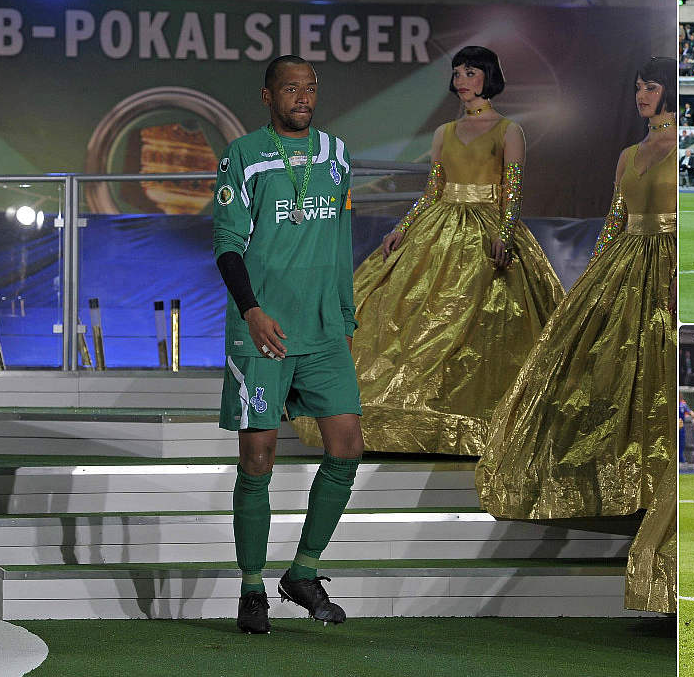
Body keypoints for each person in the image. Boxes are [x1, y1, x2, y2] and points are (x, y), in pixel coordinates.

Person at [477, 56, 677, 614]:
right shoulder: (629, 155)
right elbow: (615, 218)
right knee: (601, 380)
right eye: (637, 85)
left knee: (658, 383)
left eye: (651, 86)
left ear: (671, 92)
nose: (641, 93)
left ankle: (661, 499)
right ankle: (618, 490)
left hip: (671, 272)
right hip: (625, 268)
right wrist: (596, 275)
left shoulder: (685, 153)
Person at [300, 46, 562, 458]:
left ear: (487, 77)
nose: (461, 80)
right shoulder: (443, 132)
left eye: (470, 72)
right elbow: (431, 191)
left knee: (480, 316)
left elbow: (513, 190)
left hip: (486, 227)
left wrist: (506, 234)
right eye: (457, 72)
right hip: (438, 224)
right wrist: (401, 228)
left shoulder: (509, 130)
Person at [212, 55, 363, 633]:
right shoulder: (244, 155)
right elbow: (227, 244)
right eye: (290, 88)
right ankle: (252, 587)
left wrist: (346, 315)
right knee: (258, 459)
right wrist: (250, 311)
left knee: (346, 446)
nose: (303, 96)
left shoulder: (335, 154)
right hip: (264, 332)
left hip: (324, 331)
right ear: (268, 96)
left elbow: (342, 237)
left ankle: (303, 571)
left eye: (310, 88)